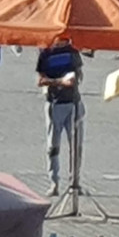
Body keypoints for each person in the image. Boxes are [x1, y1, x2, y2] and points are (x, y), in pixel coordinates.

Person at [36, 36, 83, 197]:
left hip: (74, 103)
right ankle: (54, 182)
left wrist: (76, 78)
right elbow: (40, 81)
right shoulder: (46, 53)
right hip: (54, 104)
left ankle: (74, 182)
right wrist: (60, 82)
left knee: (76, 145)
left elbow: (79, 74)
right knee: (53, 145)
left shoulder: (73, 52)